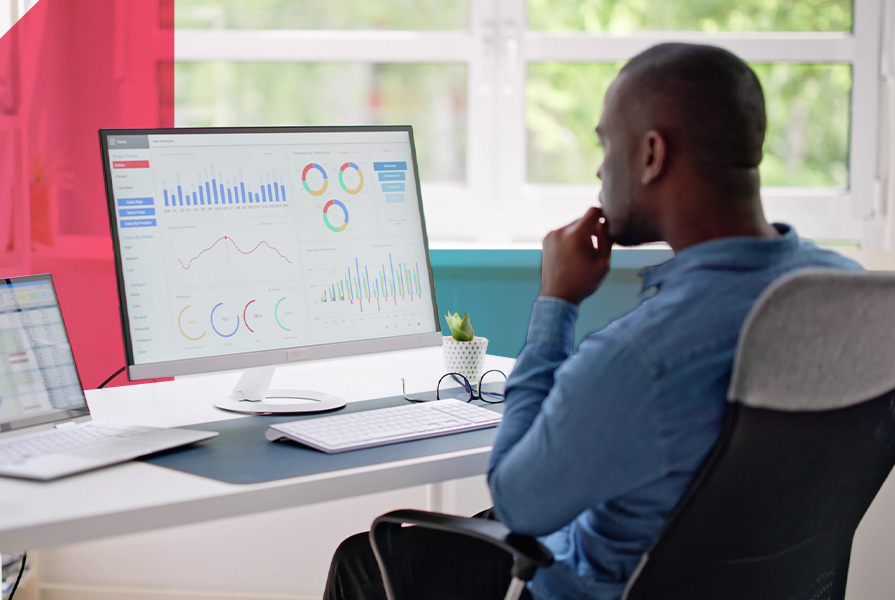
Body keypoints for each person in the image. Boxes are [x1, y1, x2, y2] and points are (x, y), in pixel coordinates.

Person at [323, 42, 863, 600]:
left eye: (607, 143)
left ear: (652, 154)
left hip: (597, 587)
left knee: (365, 564)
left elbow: (519, 502)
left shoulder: (644, 355)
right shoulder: (848, 290)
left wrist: (556, 302)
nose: (601, 168)